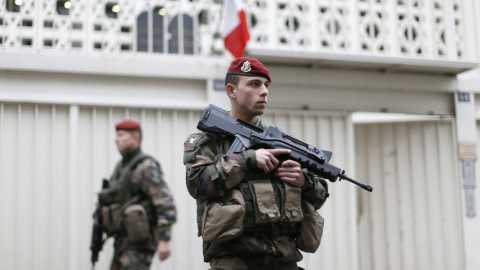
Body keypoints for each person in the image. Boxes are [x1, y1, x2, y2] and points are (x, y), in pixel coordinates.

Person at [183, 57, 329, 270]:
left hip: (284, 261)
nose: (264, 91)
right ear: (232, 91)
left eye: (266, 85)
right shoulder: (209, 140)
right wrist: (246, 159)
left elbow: (320, 195)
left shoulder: (280, 143)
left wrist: (304, 181)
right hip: (233, 262)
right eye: (254, 84)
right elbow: (197, 183)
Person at [97, 119, 177, 270]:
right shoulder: (121, 167)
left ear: (135, 138)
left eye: (121, 135)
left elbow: (165, 202)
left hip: (140, 243)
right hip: (123, 241)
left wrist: (165, 239)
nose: (116, 139)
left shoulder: (146, 166)